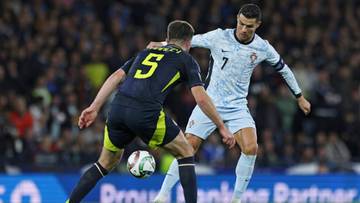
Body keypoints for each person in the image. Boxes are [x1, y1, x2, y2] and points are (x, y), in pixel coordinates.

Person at [149, 4, 311, 203]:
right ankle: (162, 195)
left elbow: (283, 68)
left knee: (251, 148)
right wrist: (162, 44)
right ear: (237, 19)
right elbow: (189, 41)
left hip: (237, 107)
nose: (243, 29)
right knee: (187, 148)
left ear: (258, 25)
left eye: (249, 26)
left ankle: (236, 199)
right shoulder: (219, 37)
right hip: (209, 102)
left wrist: (299, 96)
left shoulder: (262, 47)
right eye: (241, 24)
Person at [65, 20, 235, 203]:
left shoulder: (145, 52)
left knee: (104, 163)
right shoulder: (187, 60)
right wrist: (221, 127)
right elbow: (201, 98)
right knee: (186, 151)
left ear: (168, 38)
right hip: (145, 112)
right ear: (189, 42)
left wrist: (94, 107)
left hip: (118, 109)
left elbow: (116, 77)